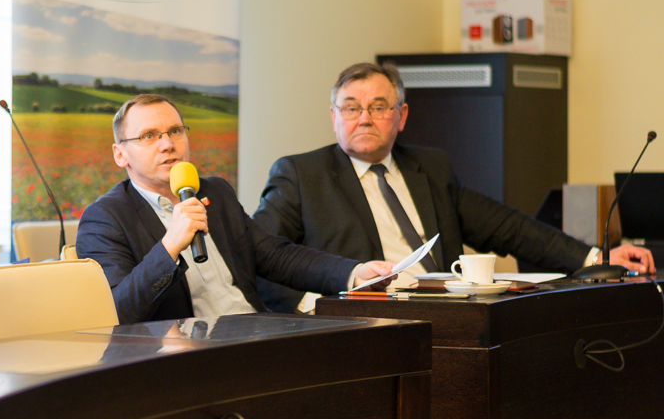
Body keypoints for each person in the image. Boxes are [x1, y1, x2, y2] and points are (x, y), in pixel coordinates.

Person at [253, 61, 655, 311]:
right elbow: (260, 256)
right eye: (351, 108)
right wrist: (317, 308)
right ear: (334, 116)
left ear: (401, 116)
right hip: (361, 324)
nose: (364, 118)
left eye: (378, 107)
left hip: (452, 315)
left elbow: (508, 227)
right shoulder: (300, 175)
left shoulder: (429, 167)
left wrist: (596, 257)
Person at [75, 94, 393, 325]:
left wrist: (354, 273)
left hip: (253, 330)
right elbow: (117, 311)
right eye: (149, 136)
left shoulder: (215, 192)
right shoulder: (105, 218)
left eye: (175, 131)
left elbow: (276, 255)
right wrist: (169, 246)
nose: (167, 144)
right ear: (120, 154)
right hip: (186, 356)